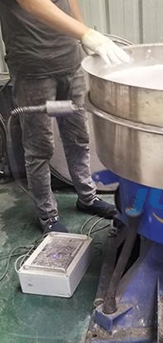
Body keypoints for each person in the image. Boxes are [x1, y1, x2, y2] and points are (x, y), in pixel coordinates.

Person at [0, 0, 130, 233]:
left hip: (70, 64)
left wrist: (81, 37)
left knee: (78, 138)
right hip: (33, 71)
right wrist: (88, 34)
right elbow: (32, 3)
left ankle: (87, 197)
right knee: (40, 148)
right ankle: (47, 215)